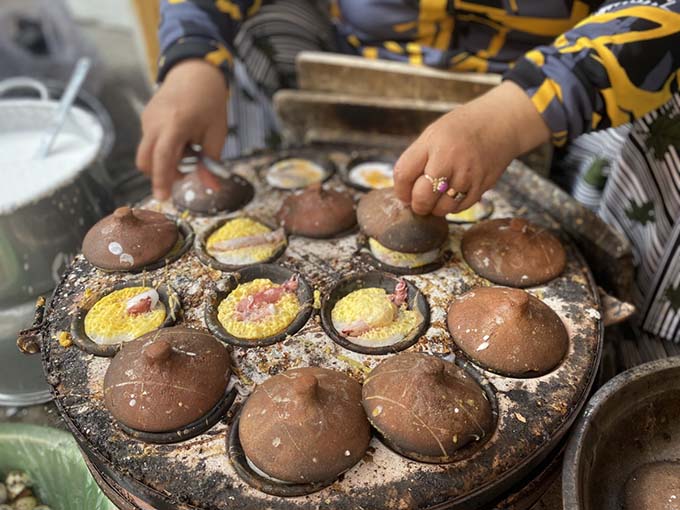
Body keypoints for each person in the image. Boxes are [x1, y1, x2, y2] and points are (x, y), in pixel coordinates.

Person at [137, 0, 680, 342]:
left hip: (546, 106)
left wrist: (509, 116)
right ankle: (256, 186)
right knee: (261, 24)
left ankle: (645, 337)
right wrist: (192, 59)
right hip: (353, 87)